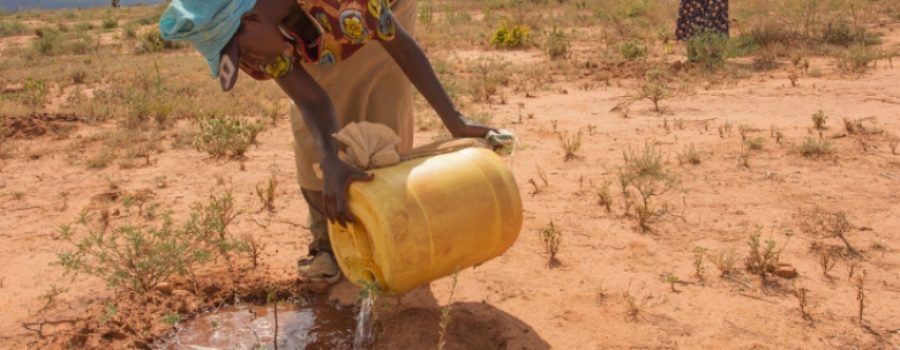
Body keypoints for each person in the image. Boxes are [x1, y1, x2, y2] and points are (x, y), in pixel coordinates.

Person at [159, 0, 495, 284]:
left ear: (252, 20)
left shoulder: (347, 5)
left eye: (243, 52)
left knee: (379, 112)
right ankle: (329, 243)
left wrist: (456, 121)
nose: (249, 64)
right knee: (317, 146)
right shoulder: (260, 36)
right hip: (311, 29)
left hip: (377, 15)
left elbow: (402, 48)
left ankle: (392, 238)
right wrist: (331, 157)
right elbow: (313, 102)